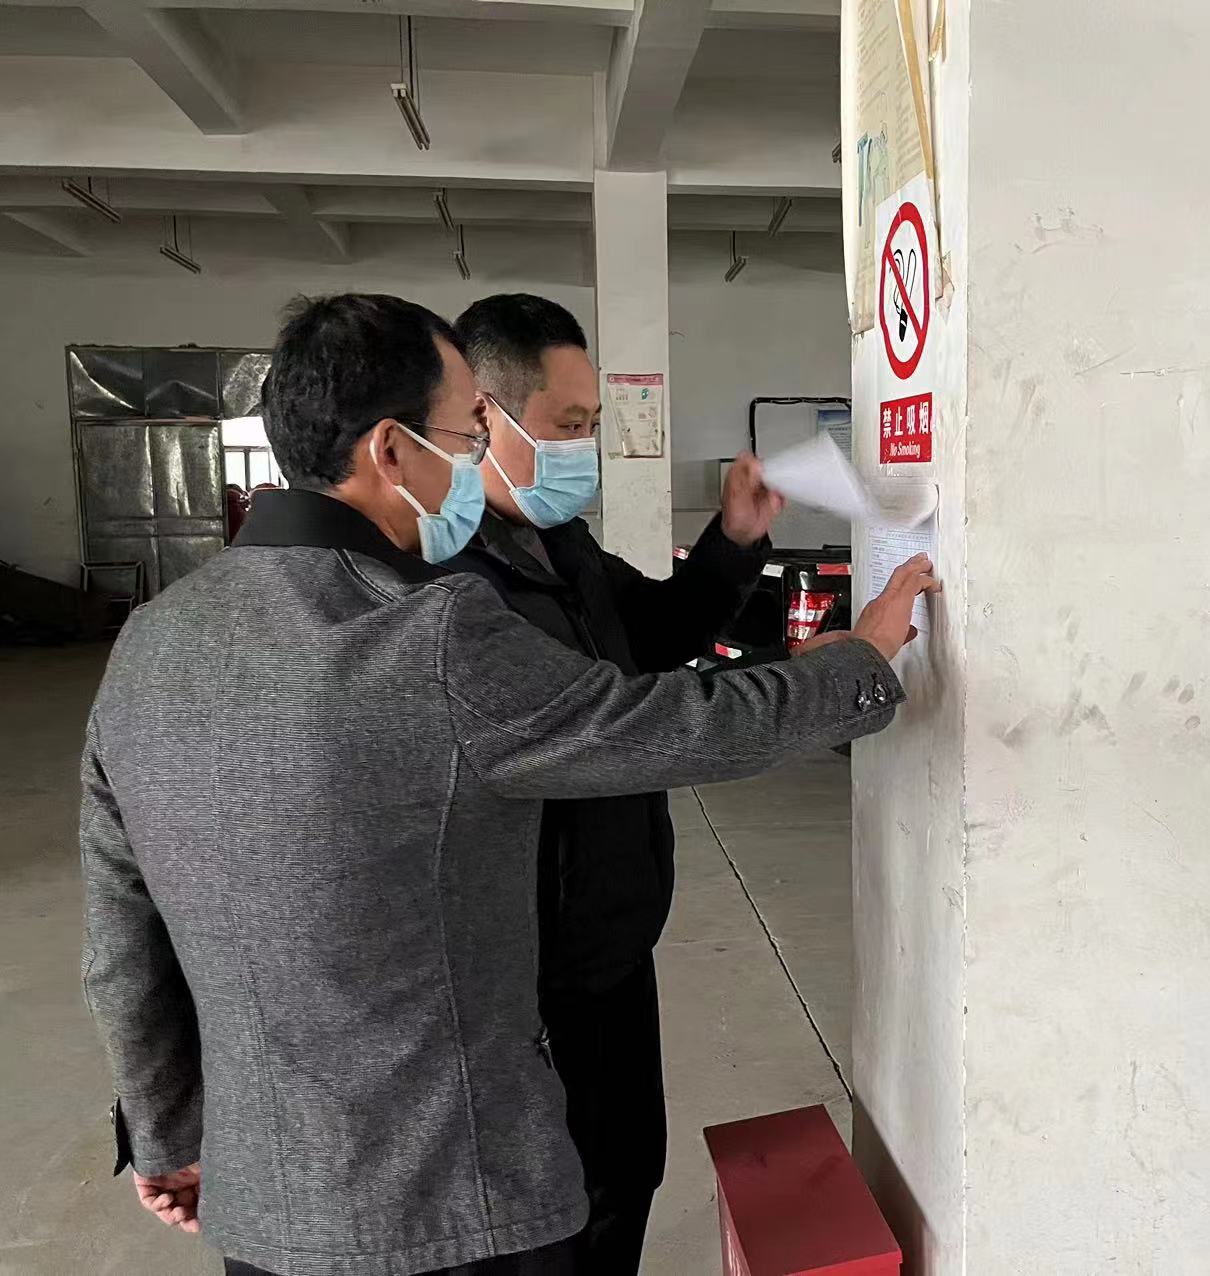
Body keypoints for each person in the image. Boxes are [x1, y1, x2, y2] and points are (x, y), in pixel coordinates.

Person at [79, 292, 938, 1276]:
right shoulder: (431, 629)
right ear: (392, 450)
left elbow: (121, 938)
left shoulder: (152, 638)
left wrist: (166, 1133)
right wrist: (858, 664)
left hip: (266, 1199)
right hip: (456, 1196)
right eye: (465, 432)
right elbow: (666, 727)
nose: (476, 451)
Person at [453, 293, 774, 1273]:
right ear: (484, 417)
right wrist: (815, 685)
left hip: (613, 936)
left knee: (628, 1166)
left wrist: (730, 541)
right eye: (567, 425)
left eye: (591, 425)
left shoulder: (562, 547)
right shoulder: (458, 588)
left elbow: (657, 637)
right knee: (563, 1207)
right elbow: (627, 725)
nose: (583, 450)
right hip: (531, 971)